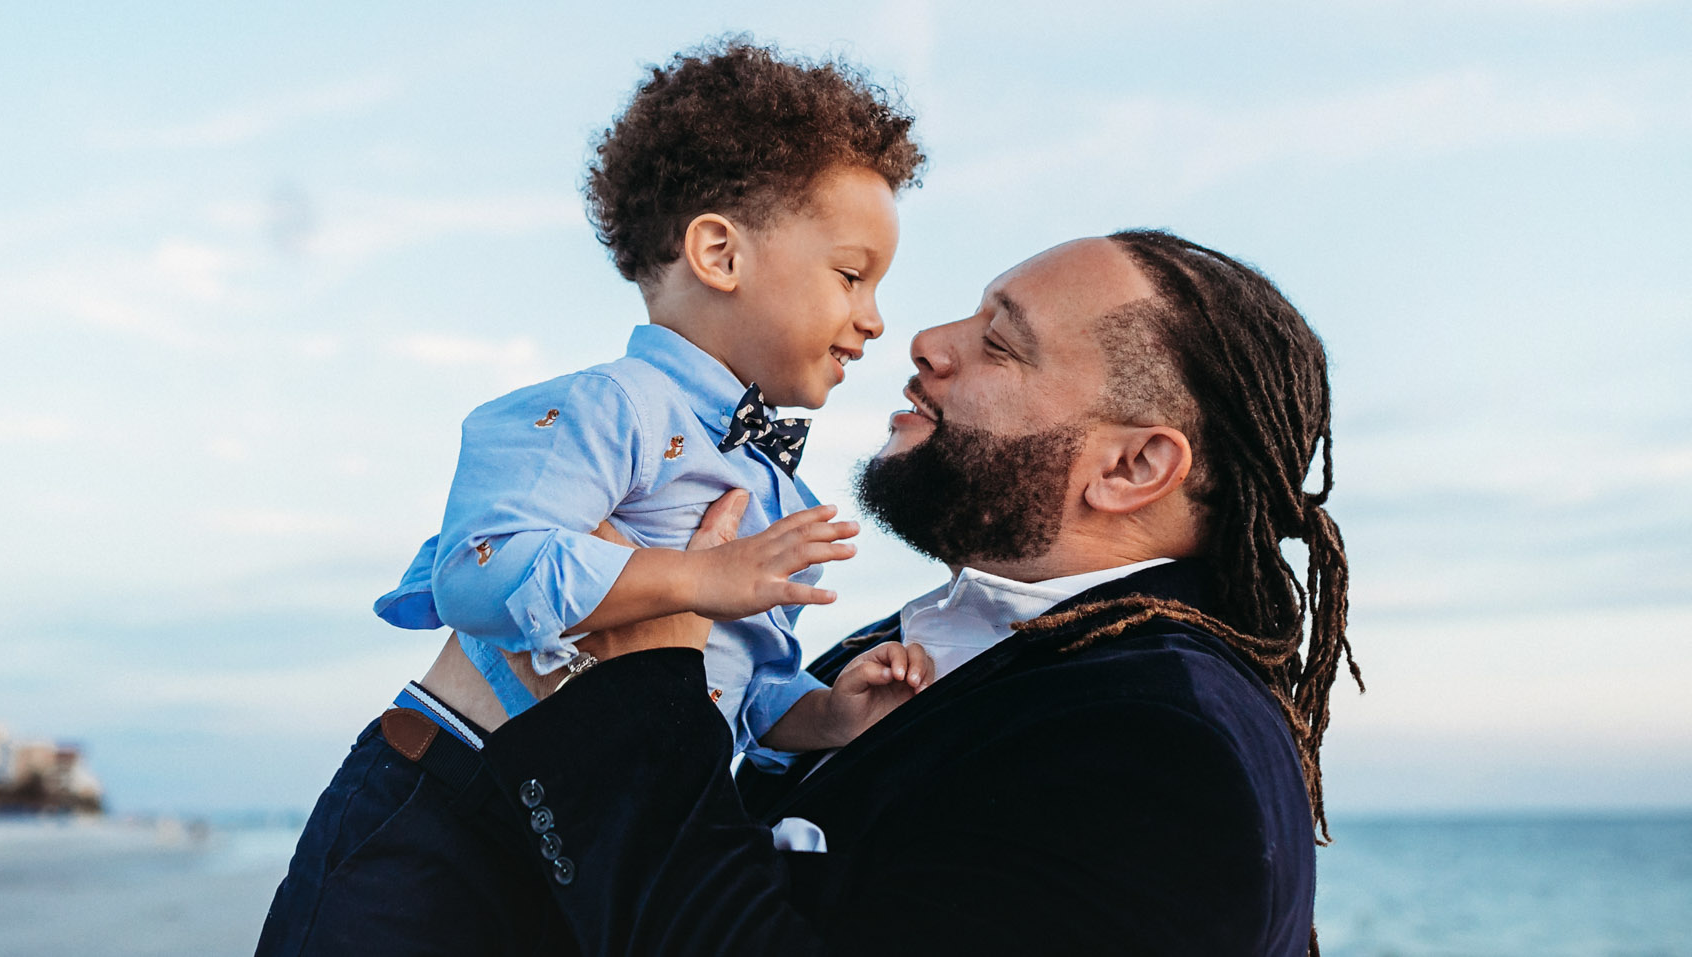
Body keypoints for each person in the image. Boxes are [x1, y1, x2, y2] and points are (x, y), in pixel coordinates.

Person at [474, 230, 1359, 956]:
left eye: (999, 341)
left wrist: (641, 682)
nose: (927, 341)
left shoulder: (1168, 743)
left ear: (1132, 466)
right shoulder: (904, 650)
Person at [255, 38, 932, 957]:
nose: (876, 318)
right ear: (719, 252)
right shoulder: (606, 405)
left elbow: (734, 687)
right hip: (447, 802)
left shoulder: (772, 481)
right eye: (852, 275)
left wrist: (826, 712)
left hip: (584, 842)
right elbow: (477, 569)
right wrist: (695, 578)